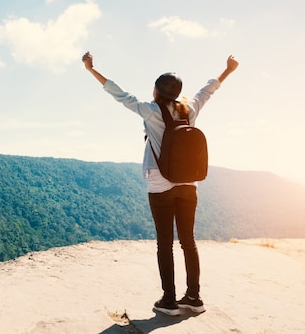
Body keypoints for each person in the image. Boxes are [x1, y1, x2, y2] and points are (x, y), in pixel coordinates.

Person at [82, 51, 239, 316]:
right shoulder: (190, 108)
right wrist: (229, 70)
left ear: (157, 90)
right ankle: (194, 298)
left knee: (164, 243)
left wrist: (91, 69)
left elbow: (119, 94)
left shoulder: (151, 110)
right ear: (177, 93)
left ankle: (169, 301)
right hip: (189, 185)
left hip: (160, 184)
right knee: (188, 241)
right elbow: (208, 89)